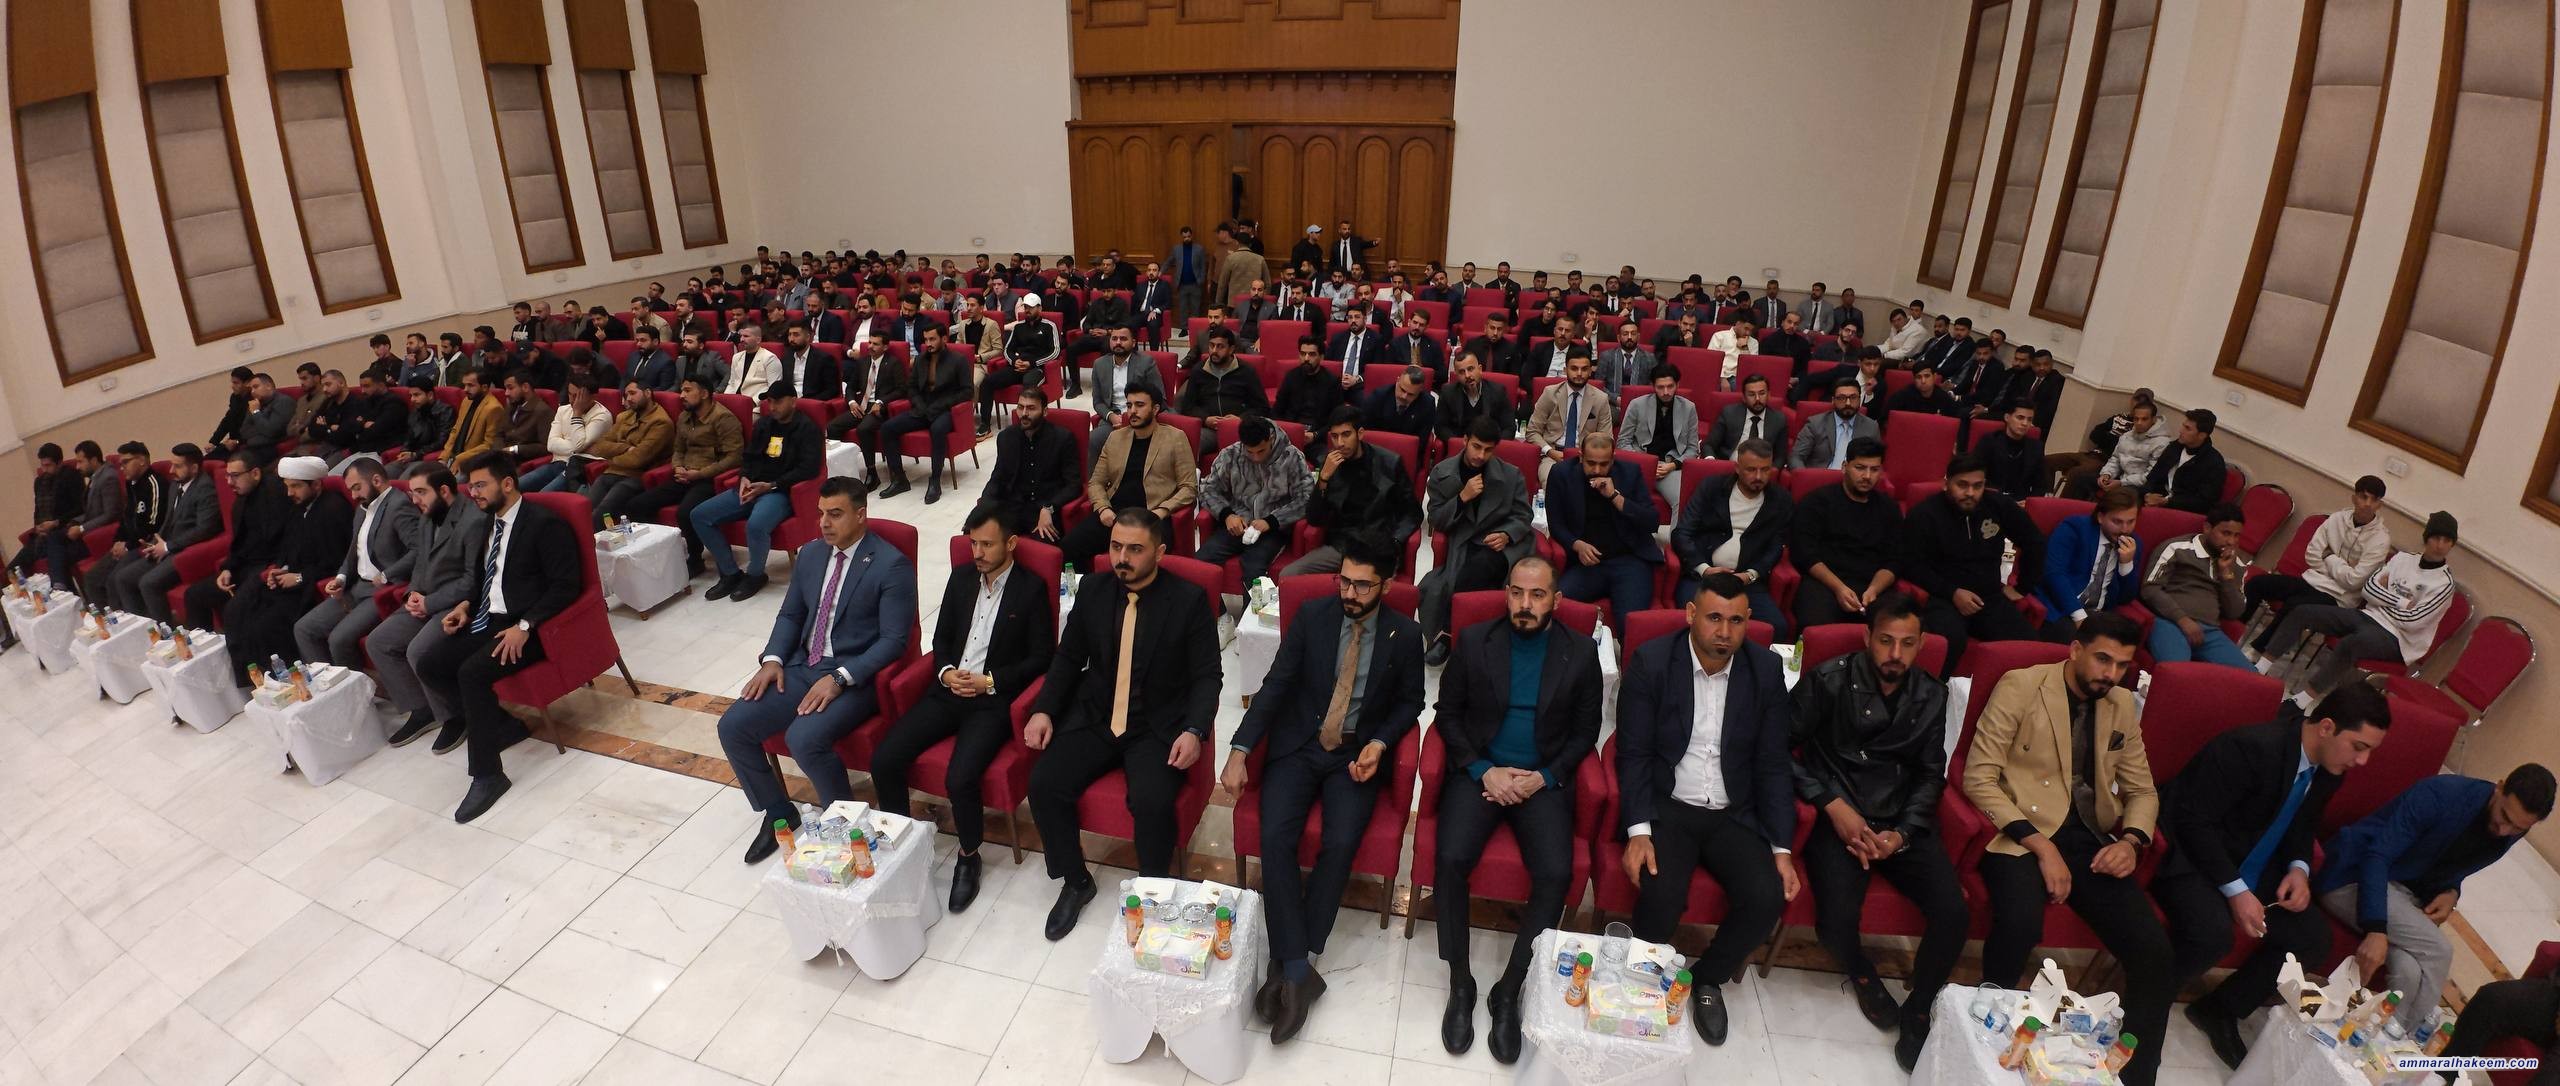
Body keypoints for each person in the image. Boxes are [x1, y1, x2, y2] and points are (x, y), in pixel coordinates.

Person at [1221, 547, 1424, 1042]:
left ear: (1386, 586)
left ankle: (1287, 965)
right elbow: (1276, 684)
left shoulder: (1404, 635)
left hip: (1354, 753)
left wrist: (1379, 743)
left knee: (1340, 842)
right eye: (1344, 582)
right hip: (1298, 745)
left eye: (1362, 585)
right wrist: (1240, 749)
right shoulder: (1312, 617)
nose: (1349, 593)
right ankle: (1298, 968)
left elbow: (1411, 702)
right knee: (1276, 837)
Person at [1963, 613, 2175, 1086]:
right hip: (2021, 831)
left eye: (2121, 665)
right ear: (2076, 650)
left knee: (2155, 953)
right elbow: (1978, 777)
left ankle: (2135, 1078)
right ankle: (1983, 1049)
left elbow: (2142, 790)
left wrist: (2132, 841)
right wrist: (2042, 847)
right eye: (2102, 659)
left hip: (2088, 838)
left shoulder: (2120, 704)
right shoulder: (2021, 686)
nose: (2110, 673)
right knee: (2019, 923)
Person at [2156, 686, 2392, 1069]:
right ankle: (2147, 1002)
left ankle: (2220, 1009)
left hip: (2252, 861)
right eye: (2359, 746)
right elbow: (2193, 823)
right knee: (2211, 933)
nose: (2363, 761)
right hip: (2194, 857)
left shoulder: (2330, 767)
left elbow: (2303, 825)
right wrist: (2236, 892)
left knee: (2311, 937)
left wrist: (2299, 869)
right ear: (2326, 727)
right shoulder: (2251, 748)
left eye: (2370, 751)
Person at [1613, 574, 1797, 1047]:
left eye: (1736, 621)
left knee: (1767, 895)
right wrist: (1638, 830)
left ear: (1748, 621)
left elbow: (1774, 762)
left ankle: (1707, 979)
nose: (1724, 632)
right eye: (1714, 618)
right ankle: (1643, 979)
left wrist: (1781, 848)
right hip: (1669, 805)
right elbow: (1633, 753)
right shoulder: (1653, 662)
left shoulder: (1764, 670)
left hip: (1733, 811)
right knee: (1661, 892)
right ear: (1692, 614)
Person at [1431, 557, 1602, 1061]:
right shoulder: (1474, 641)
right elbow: (1447, 715)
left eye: (1537, 595)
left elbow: (1585, 732)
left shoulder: (1580, 652)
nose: (1525, 605)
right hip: (1482, 773)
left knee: (1555, 872)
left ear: (1556, 600)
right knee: (1450, 857)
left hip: (1539, 781)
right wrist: (1482, 768)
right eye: (1517, 593)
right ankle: (1460, 980)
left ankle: (1509, 988)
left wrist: (1544, 778)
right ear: (1506, 593)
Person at [1788, 593, 1967, 1068]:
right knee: (1836, 917)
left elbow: (1931, 774)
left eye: (1907, 644)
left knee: (1954, 912)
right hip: (1840, 811)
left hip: (1900, 818)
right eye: (1886, 641)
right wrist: (1832, 806)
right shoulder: (1828, 679)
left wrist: (1903, 833)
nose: (1895, 654)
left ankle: (1920, 1007)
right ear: (1867, 637)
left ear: (1922, 644)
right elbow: (1776, 749)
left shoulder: (1932, 694)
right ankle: (1862, 971)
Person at [1025, 509, 1222, 936]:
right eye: (1116, 547)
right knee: (1043, 784)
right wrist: (1043, 709)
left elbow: (1208, 675)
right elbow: (1069, 657)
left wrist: (1194, 730)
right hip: (1097, 713)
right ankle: (1076, 880)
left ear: (1160, 552)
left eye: (1135, 549)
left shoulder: (1187, 601)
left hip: (1155, 722)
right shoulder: (1095, 590)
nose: (1122, 558)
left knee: (1151, 802)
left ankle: (1154, 891)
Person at [867, 505, 1054, 912]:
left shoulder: (1030, 589)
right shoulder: (962, 578)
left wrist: (991, 681)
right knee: (885, 758)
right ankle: (902, 843)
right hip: (948, 691)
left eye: (987, 544)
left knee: (961, 776)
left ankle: (969, 857)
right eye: (973, 544)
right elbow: (942, 638)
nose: (978, 553)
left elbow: (1042, 658)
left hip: (991, 701)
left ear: (1011, 543)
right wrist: (946, 671)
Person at [722, 478, 917, 857]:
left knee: (804, 738)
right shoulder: (812, 554)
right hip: (802, 665)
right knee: (733, 726)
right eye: (821, 513)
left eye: (836, 514)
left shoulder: (890, 565)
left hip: (854, 677)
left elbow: (894, 641)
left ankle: (846, 826)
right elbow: (791, 614)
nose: (825, 523)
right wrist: (773, 659)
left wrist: (840, 678)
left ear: (861, 515)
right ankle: (778, 812)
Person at [2316, 765, 2554, 1033]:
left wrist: (2451, 891)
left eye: (2517, 827)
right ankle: (2404, 1044)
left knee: (2409, 971)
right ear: (2499, 787)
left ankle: (2375, 1043)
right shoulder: (2441, 795)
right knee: (2439, 951)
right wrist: (2376, 928)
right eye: (2504, 816)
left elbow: (2454, 862)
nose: (2503, 830)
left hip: (2403, 894)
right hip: (2354, 876)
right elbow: (2377, 856)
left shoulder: (2513, 829)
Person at [2260, 511, 2461, 708]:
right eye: (2436, 538)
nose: (2440, 545)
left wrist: (2383, 597)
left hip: (2398, 639)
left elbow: (2413, 621)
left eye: (2447, 540)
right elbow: (2368, 589)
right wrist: (2402, 603)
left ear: (2452, 544)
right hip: (2369, 615)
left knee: (2350, 644)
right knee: (2303, 612)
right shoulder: (2403, 559)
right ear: (2427, 538)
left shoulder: (2444, 584)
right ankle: (2261, 667)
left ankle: (2301, 701)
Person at [1902, 454, 2045, 669]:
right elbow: (1911, 564)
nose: (1970, 493)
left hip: (1989, 597)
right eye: (1962, 485)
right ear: (1946, 483)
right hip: (1943, 597)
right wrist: (1952, 592)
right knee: (1949, 643)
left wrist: (2023, 587)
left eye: (1977, 486)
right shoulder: (1925, 514)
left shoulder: (1998, 505)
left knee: (2028, 649)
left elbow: (2034, 541)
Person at [220, 456, 352, 679]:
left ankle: (296, 681)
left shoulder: (333, 509)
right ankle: (257, 681)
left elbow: (336, 561)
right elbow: (288, 547)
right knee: (240, 610)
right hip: (290, 580)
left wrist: (299, 577)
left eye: (296, 486)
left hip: (310, 586)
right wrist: (281, 568)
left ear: (316, 485)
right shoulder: (299, 507)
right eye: (287, 486)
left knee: (265, 625)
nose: (289, 493)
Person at [378, 465, 482, 747]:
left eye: (421, 492)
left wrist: (430, 602)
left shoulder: (472, 520)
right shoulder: (427, 518)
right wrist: (412, 593)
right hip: (425, 598)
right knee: (380, 641)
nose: (415, 500)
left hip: (455, 605)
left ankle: (456, 716)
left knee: (418, 651)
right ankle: (422, 710)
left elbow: (472, 580)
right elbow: (421, 564)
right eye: (412, 494)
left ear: (444, 490)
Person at [1421, 418, 1534, 666]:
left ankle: (1448, 634)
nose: (1481, 455)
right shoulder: (1442, 472)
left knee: (1481, 567)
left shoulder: (1511, 474)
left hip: (1500, 544)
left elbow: (1523, 515)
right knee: (1460, 577)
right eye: (1476, 447)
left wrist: (1506, 534)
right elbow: (1436, 519)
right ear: (1465, 441)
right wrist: (1462, 498)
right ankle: (1475, 640)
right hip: (1464, 540)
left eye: (1488, 450)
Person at [694, 385, 821, 602]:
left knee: (756, 525)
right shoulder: (764, 424)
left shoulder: (807, 428)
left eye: (778, 401)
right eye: (769, 401)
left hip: (780, 491)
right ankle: (730, 573)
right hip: (751, 486)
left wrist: (771, 485)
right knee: (700, 515)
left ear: (793, 401)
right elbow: (749, 457)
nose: (772, 407)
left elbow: (808, 469)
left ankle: (755, 575)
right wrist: (744, 477)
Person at [607, 377, 742, 577]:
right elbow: (678, 450)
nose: (681, 396)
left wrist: (700, 474)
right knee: (638, 504)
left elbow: (734, 457)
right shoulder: (684, 417)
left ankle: (695, 559)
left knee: (685, 512)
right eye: (681, 390)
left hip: (709, 477)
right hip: (683, 475)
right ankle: (656, 553)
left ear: (704, 394)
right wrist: (677, 466)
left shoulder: (723, 418)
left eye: (687, 391)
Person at [291, 458, 420, 667]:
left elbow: (419, 550)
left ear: (376, 480)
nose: (353, 496)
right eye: (350, 490)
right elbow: (354, 550)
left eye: (357, 488)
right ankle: (328, 684)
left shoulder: (399, 506)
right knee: (304, 629)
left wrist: (387, 574)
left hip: (382, 590)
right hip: (356, 587)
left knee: (338, 640)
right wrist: (341, 578)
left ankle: (356, 687)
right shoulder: (362, 508)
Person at [2246, 477, 2393, 654]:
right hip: (2312, 581)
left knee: (2295, 606)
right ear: (2354, 498)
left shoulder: (2381, 539)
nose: (2367, 504)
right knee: (2257, 583)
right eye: (2363, 497)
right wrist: (2341, 571)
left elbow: (2354, 581)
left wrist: (2329, 556)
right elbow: (2311, 555)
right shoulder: (2336, 519)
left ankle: (2258, 654)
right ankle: (2233, 630)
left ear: (2379, 505)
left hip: (2339, 597)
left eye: (2374, 500)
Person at [1059, 386, 1196, 568]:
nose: (1132, 411)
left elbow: (1189, 487)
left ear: (1155, 409)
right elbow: (1096, 482)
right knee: (1068, 549)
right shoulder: (1115, 438)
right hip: (1114, 514)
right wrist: (1103, 508)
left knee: (1139, 563)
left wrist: (1162, 511)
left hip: (1151, 516)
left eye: (1139, 405)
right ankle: (1091, 584)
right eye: (1129, 405)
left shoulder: (1175, 438)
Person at [1670, 439, 1792, 636]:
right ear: (1737, 468)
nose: (1758, 476)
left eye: (1765, 470)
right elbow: (1682, 533)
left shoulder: (1780, 500)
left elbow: (1775, 547)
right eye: (1751, 470)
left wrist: (1750, 575)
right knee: (1695, 620)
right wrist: (1705, 569)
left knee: (1777, 628)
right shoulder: (1712, 487)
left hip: (1746, 582)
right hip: (1703, 577)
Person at [1281, 408, 1420, 576]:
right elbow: (1314, 518)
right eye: (1334, 436)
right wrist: (1323, 478)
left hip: (1378, 546)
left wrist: (1395, 542)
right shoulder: (1330, 463)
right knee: (1288, 575)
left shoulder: (1389, 462)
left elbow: (1412, 512)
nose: (1340, 443)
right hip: (1342, 546)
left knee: (1361, 586)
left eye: (1346, 435)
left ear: (1360, 434)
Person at [1546, 432, 1660, 632]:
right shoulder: (1561, 473)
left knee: (1631, 626)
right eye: (1591, 463)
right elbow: (1556, 524)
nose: (1597, 470)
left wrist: (1615, 497)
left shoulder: (1630, 472)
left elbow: (1652, 521)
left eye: (1604, 464)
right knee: (1553, 607)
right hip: (1587, 564)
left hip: (1629, 561)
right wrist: (1576, 544)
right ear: (1581, 457)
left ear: (1613, 459)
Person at [1788, 438, 1900, 631]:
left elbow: (1895, 559)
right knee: (1816, 625)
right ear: (1844, 467)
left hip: (1872, 586)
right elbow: (1805, 554)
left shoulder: (1889, 508)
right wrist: (1839, 588)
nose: (1867, 476)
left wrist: (1874, 589)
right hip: (1825, 583)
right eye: (1860, 468)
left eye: (1874, 470)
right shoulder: (1817, 502)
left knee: (1898, 626)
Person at [1193, 416, 1313, 589]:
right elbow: (1207, 489)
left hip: (1274, 527)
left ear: (1271, 438)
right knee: (1201, 562)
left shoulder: (1291, 457)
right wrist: (1227, 515)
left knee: (1253, 568)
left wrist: (1271, 521)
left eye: (1261, 451)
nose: (1256, 457)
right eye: (1250, 452)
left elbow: (1306, 497)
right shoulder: (1231, 454)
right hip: (1238, 522)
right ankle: (1214, 607)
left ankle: (1256, 608)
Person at [101, 445, 217, 621]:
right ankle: (141, 628)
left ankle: (165, 632)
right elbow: (168, 520)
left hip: (185, 550)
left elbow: (204, 529)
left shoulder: (205, 488)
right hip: (166, 546)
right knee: (123, 578)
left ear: (194, 468)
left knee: (148, 583)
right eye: (172, 465)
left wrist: (168, 546)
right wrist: (156, 542)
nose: (171, 471)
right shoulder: (175, 485)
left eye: (177, 466)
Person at [2142, 503, 2253, 668]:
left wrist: (2226, 575)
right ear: (2207, 528)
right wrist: (2182, 619)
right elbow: (2150, 589)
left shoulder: (2235, 565)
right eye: (2226, 533)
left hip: (2210, 632)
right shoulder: (2177, 548)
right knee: (2178, 673)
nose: (2231, 541)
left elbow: (2234, 613)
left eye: (2236, 536)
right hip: (2170, 622)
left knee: (2250, 678)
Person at [2035, 485, 2145, 639]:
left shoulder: (2133, 544)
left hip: (2099, 615)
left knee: (2127, 640)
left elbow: (2125, 598)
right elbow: (2054, 574)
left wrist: (2126, 564)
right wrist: (2079, 616)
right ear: (2100, 517)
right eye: (2117, 521)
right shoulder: (2074, 528)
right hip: (2062, 607)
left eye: (2131, 522)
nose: (2125, 529)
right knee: (2080, 642)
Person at [877, 326, 972, 502]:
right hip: (922, 409)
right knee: (887, 428)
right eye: (926, 339)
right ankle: (899, 479)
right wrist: (919, 404)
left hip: (945, 410)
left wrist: (941, 405)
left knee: (938, 430)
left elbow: (967, 392)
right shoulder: (921, 359)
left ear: (944, 339)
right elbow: (911, 387)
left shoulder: (958, 360)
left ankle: (935, 480)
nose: (928, 343)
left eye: (932, 339)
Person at [979, 387, 1080, 545]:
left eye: (1031, 408)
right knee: (979, 533)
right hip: (1013, 507)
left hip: (1044, 508)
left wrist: (1050, 507)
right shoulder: (1006, 437)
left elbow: (1074, 485)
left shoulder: (1062, 439)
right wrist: (982, 508)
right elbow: (998, 478)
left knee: (1044, 544)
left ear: (1045, 411)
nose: (1024, 413)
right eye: (1020, 407)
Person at [576, 380, 673, 527]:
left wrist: (611, 457)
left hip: (637, 476)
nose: (628, 399)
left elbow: (637, 459)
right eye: (626, 395)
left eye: (633, 393)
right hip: (612, 471)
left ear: (647, 393)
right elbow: (600, 446)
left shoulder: (661, 422)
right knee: (583, 508)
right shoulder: (624, 416)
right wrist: (626, 448)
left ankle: (588, 541)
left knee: (600, 514)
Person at [77, 442, 163, 603]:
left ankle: (127, 617)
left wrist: (128, 546)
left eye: (126, 462)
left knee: (114, 581)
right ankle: (106, 617)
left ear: (142, 461)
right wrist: (118, 541)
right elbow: (125, 518)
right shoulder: (131, 484)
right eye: (120, 463)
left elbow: (153, 526)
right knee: (91, 578)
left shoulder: (154, 483)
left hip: (143, 545)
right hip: (127, 544)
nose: (121, 468)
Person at [1617, 366, 1700, 506]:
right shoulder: (1637, 405)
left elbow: (1693, 448)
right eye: (1660, 387)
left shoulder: (1689, 408)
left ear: (1677, 385)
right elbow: (1623, 441)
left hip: (1670, 466)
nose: (1666, 392)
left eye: (1670, 386)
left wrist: (1673, 465)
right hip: (1640, 462)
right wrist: (1645, 463)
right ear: (1653, 386)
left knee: (1683, 500)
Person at [2057, 393, 2163, 500]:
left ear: (2153, 419)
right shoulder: (2127, 436)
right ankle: (2064, 507)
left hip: (2136, 486)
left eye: (2144, 419)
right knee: (2081, 480)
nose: (2139, 423)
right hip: (2118, 477)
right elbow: (2115, 459)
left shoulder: (2161, 443)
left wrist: (2121, 483)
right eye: (2136, 419)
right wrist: (2107, 474)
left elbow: (2149, 476)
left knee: (2079, 473)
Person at [517, 378, 613, 493]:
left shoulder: (602, 416)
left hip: (576, 469)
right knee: (516, 486)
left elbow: (578, 446)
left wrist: (577, 413)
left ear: (593, 397)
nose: (571, 400)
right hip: (556, 463)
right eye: (569, 394)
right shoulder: (563, 410)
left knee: (543, 496)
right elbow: (551, 444)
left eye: (577, 396)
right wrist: (579, 448)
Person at [1521, 349, 1611, 462]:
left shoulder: (1600, 399)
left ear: (1590, 371)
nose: (1579, 373)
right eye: (1574, 368)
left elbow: (1607, 438)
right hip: (1552, 455)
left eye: (1584, 369)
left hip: (1586, 458)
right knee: (1551, 473)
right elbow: (1532, 432)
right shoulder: (1550, 393)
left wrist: (1589, 457)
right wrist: (1549, 451)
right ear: (1565, 370)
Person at [2142, 408, 2227, 513]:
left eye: (2188, 428)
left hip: (2182, 511)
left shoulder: (2214, 462)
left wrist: (2166, 502)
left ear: (2202, 435)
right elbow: (2153, 477)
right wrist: (2147, 495)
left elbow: (2204, 502)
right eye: (2183, 425)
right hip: (2157, 499)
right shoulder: (2174, 447)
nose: (2181, 430)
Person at [1702, 373, 1792, 463]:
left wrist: (1773, 470)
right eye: (1752, 394)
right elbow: (1709, 445)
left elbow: (1781, 456)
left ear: (1769, 395)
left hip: (1761, 469)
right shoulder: (1729, 414)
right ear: (1744, 398)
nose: (1757, 399)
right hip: (1730, 466)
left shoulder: (1778, 419)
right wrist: (1711, 462)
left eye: (1762, 393)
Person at [1434, 349, 1513, 444]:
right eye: (1462, 372)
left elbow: (1509, 428)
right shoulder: (1448, 392)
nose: (1467, 375)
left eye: (1470, 369)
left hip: (1488, 446)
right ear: (1457, 375)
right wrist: (1459, 443)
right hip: (1460, 445)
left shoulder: (1498, 392)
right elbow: (1440, 427)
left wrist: (1492, 446)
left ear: (1480, 369)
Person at [1972, 399, 2046, 495]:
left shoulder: (2036, 447)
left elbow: (2040, 486)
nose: (2025, 423)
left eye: (2029, 420)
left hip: (2020, 500)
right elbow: (1975, 473)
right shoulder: (1989, 441)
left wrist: (2029, 501)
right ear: (2007, 417)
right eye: (2020, 418)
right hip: (1991, 497)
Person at [393, 379, 452, 463]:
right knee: (385, 469)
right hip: (411, 456)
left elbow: (442, 441)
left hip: (425, 457)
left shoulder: (445, 411)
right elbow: (409, 437)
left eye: (416, 395)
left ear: (430, 395)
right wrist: (404, 451)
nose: (412, 399)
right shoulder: (416, 411)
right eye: (411, 395)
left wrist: (416, 454)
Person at [1706, 314, 1759, 389]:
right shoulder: (1719, 336)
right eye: (1746, 328)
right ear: (1738, 324)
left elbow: (1750, 367)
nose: (1748, 333)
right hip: (1717, 374)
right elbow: (1711, 361)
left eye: (1751, 330)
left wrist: (1745, 348)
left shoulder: (1754, 342)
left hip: (1739, 378)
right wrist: (1722, 379)